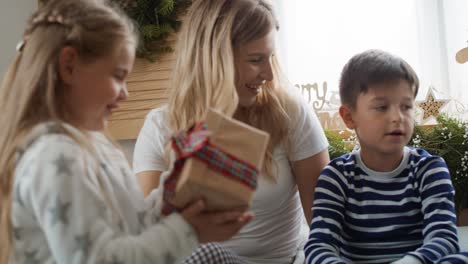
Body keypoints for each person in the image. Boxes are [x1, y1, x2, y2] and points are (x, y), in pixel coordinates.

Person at [0, 0, 253, 263]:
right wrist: (188, 230)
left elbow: (135, 224)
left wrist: (172, 194)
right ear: (69, 66)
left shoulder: (98, 146)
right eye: (119, 76)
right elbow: (102, 259)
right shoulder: (54, 156)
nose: (125, 93)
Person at [133, 0, 330, 263]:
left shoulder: (290, 114)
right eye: (256, 60)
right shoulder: (160, 126)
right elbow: (147, 241)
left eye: (271, 57)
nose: (269, 74)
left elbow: (325, 226)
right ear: (215, 59)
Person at [304, 49, 468, 263]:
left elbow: (444, 238)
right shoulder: (336, 176)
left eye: (406, 106)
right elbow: (320, 246)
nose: (397, 117)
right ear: (349, 117)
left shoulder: (430, 168)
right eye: (381, 107)